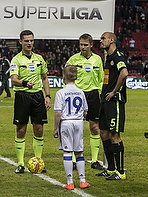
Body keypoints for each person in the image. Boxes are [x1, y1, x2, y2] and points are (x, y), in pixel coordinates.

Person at [10, 30, 51, 173]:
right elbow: (13, 80)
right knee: (21, 129)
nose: (29, 43)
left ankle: (38, 162)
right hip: (22, 96)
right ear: (20, 42)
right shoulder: (16, 60)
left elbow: (45, 78)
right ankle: (20, 164)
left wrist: (47, 96)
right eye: (26, 41)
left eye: (31, 40)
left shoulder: (40, 59)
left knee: (39, 129)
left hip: (38, 97)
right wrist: (24, 83)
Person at [66, 33, 104, 170]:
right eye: (81, 44)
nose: (83, 47)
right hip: (78, 95)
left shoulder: (98, 60)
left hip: (93, 95)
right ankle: (75, 160)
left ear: (91, 45)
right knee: (76, 128)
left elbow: (101, 78)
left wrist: (100, 92)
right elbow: (66, 77)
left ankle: (94, 160)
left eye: (85, 45)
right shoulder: (73, 59)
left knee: (94, 127)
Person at [96, 32, 128, 180]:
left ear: (112, 40)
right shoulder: (108, 58)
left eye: (103, 38)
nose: (101, 41)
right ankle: (110, 169)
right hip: (105, 101)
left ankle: (120, 172)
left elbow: (124, 73)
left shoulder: (117, 56)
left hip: (114, 102)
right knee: (103, 133)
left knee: (114, 135)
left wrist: (114, 92)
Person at [53, 65, 91, 190]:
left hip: (66, 122)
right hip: (78, 122)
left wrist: (55, 128)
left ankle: (70, 182)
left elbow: (58, 112)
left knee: (68, 152)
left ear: (63, 77)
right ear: (76, 77)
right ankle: (82, 180)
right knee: (79, 152)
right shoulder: (81, 92)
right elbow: (86, 111)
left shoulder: (60, 93)